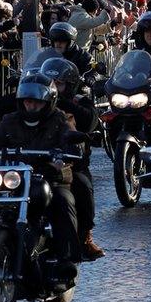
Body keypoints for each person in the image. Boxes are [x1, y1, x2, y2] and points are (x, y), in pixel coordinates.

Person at [0, 73, 80, 283]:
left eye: (36, 102)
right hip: (14, 179)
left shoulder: (61, 119)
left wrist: (67, 151)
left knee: (63, 201)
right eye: (28, 101)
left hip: (51, 177)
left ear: (48, 102)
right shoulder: (11, 120)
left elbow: (72, 139)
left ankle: (66, 260)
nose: (31, 106)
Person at [40, 57, 105, 260]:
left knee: (83, 187)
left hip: (71, 164)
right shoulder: (36, 101)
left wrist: (63, 101)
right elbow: (4, 114)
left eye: (58, 83)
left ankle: (85, 236)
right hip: (37, 162)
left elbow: (90, 120)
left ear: (69, 84)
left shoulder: (78, 101)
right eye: (50, 83)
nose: (53, 88)